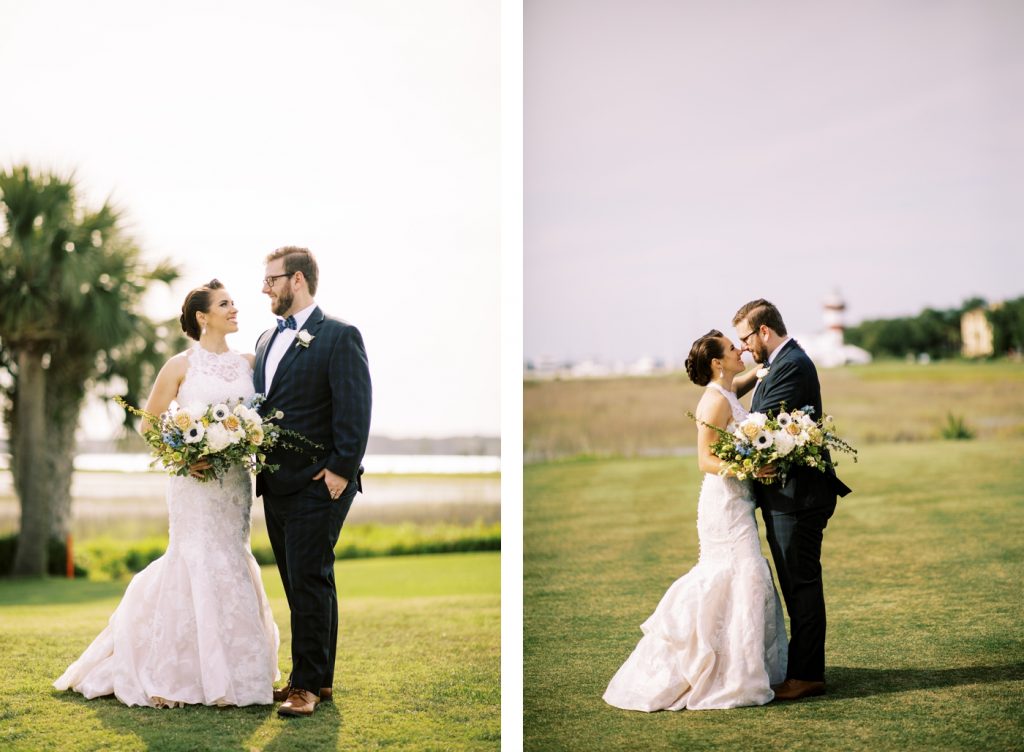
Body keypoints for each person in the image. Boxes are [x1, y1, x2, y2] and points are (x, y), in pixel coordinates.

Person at [54, 280, 280, 708]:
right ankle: (176, 671)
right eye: (225, 304)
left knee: (231, 557)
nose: (235, 309)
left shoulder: (249, 363)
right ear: (203, 316)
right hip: (194, 485)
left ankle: (237, 672)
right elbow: (150, 424)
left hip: (234, 484)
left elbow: (258, 419)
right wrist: (183, 458)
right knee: (193, 558)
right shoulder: (180, 365)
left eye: (233, 303)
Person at [603, 330, 787, 712]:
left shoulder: (726, 391)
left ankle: (736, 668)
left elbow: (739, 384)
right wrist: (751, 469)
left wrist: (762, 371)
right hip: (724, 504)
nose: (739, 349)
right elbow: (705, 460)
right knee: (741, 573)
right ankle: (724, 674)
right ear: (717, 362)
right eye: (732, 348)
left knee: (742, 575)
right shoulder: (713, 402)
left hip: (738, 500)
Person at [254, 247, 372, 718]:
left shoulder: (339, 336)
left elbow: (355, 405)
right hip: (274, 481)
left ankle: (303, 687)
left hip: (320, 480)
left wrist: (342, 467)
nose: (264, 287)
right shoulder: (266, 338)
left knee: (309, 579)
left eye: (271, 279)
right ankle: (318, 679)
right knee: (302, 580)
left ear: (297, 279)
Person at [732, 299, 851, 701]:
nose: (744, 346)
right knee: (796, 583)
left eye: (745, 338)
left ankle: (807, 675)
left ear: (764, 331)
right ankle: (803, 668)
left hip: (798, 498)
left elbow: (758, 424)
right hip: (787, 496)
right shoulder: (777, 364)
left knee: (801, 585)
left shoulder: (793, 364)